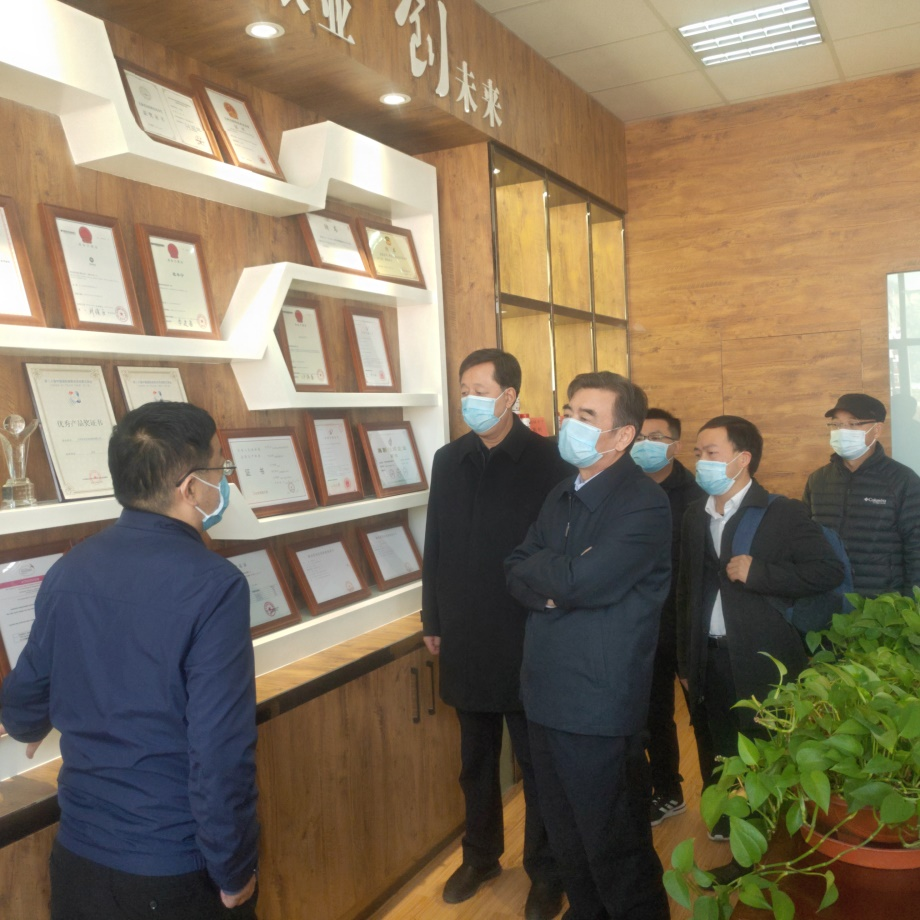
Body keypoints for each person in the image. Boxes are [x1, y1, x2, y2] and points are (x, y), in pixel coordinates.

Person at [0, 402, 259, 920]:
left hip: (79, 859)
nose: (225, 479)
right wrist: (233, 868)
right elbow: (219, 751)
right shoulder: (216, 586)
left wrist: (31, 722)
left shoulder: (70, 568)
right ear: (191, 488)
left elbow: (23, 701)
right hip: (173, 866)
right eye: (221, 467)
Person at [506, 371, 671, 920]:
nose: (570, 424)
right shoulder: (562, 492)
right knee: (567, 839)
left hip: (597, 703)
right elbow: (514, 567)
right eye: (569, 412)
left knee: (614, 846)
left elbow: (583, 583)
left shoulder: (643, 503)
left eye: (587, 416)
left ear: (622, 436)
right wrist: (557, 584)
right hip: (544, 692)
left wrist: (556, 581)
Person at [422, 348, 572, 919]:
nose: (469, 400)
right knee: (475, 759)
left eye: (479, 390)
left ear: (509, 396)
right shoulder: (449, 459)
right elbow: (436, 542)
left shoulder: (549, 461)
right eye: (464, 389)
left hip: (526, 630)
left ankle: (546, 871)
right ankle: (480, 856)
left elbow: (559, 550)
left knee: (537, 763)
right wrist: (433, 619)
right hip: (464, 631)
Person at [677, 416, 844, 843]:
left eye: (711, 453)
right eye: (697, 453)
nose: (701, 461)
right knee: (714, 738)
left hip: (762, 655)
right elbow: (685, 591)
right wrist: (684, 659)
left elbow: (828, 571)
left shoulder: (781, 513)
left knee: (761, 739)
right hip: (707, 653)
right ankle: (726, 820)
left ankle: (766, 830)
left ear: (743, 458)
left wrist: (761, 573)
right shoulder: (694, 515)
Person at [630, 408, 704, 826]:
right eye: (640, 437)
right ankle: (666, 791)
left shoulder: (696, 495)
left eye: (656, 437)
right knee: (653, 714)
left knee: (705, 714)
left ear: (675, 445)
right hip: (644, 623)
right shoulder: (627, 489)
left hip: (688, 621)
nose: (646, 445)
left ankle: (724, 798)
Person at [803, 393, 920, 596]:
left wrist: (911, 604)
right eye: (836, 424)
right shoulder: (818, 480)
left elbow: (916, 549)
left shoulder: (902, 480)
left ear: (877, 430)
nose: (843, 431)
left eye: (854, 424)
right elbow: (804, 539)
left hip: (880, 605)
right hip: (826, 600)